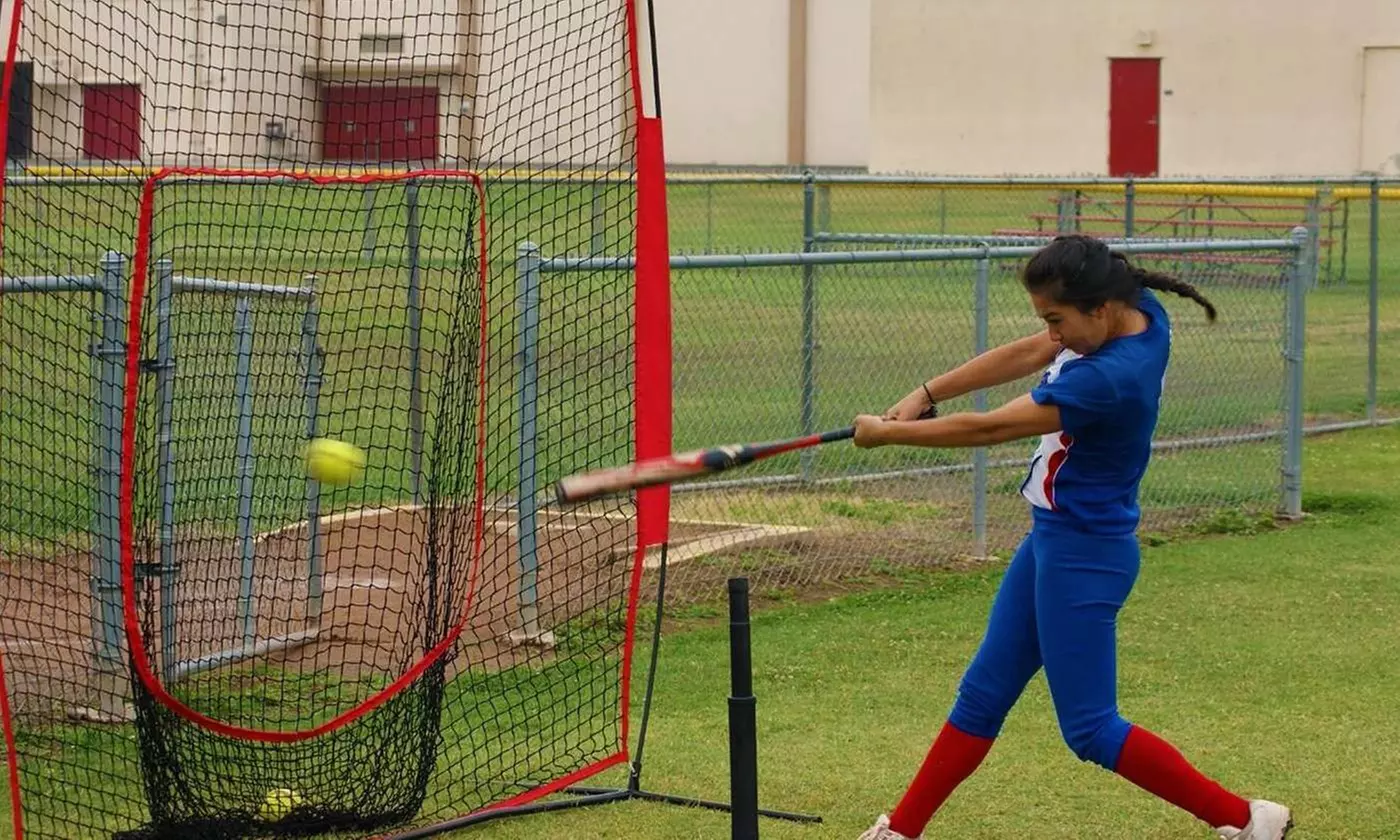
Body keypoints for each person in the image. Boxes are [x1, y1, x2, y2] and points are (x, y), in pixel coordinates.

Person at [849, 235, 1292, 840]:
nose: (1051, 333)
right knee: (982, 695)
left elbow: (992, 429)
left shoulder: (1110, 377)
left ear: (1099, 309)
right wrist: (925, 395)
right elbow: (1033, 349)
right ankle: (901, 831)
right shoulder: (1135, 313)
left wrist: (889, 436)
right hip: (1053, 541)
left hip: (1085, 555)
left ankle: (1246, 820)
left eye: (1057, 319)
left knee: (1090, 729)